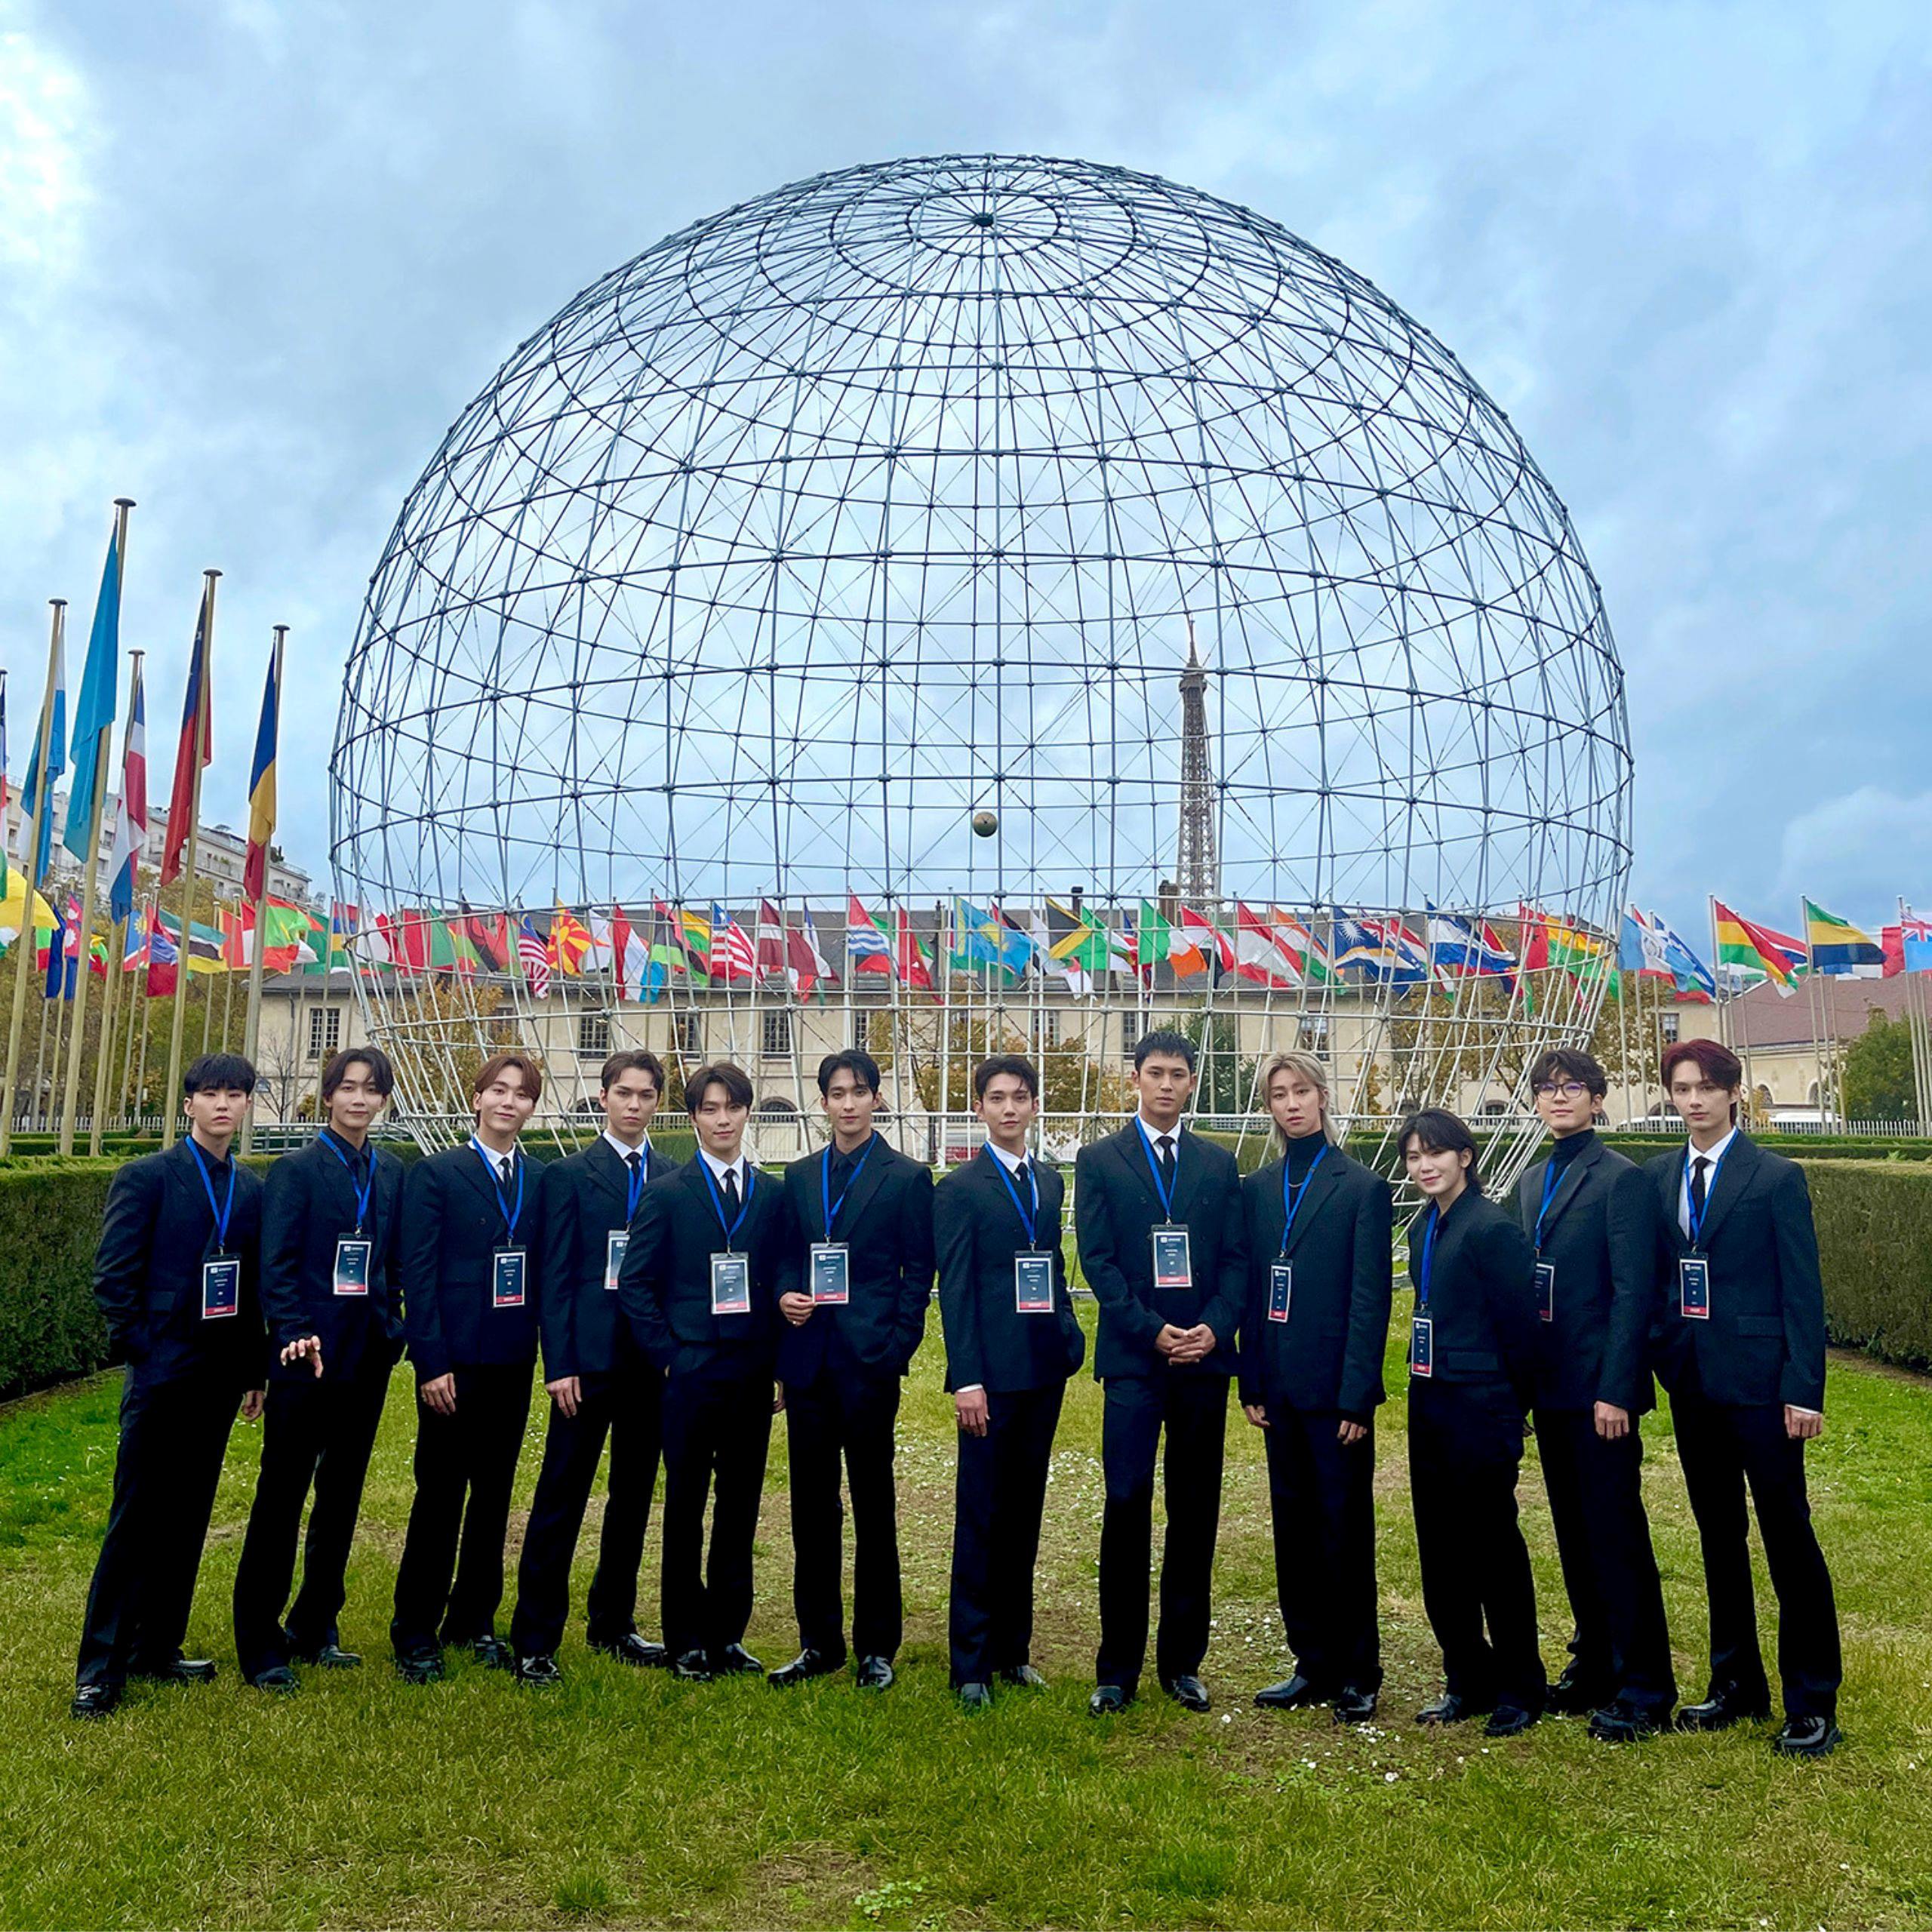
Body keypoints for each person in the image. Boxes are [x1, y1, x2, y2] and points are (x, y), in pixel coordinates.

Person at [1647, 1038, 1841, 1758]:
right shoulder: (1661, 1173)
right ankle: (1736, 1684)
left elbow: (1803, 1289)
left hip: (1765, 1390)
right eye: (1681, 1088)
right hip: (1695, 1386)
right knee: (1718, 1538)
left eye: (1706, 1087)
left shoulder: (1774, 1176)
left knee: (1788, 1537)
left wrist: (1802, 1389)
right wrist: (1668, 1350)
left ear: (1732, 1092)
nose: (1693, 1100)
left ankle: (1812, 1700)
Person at [72, 1053, 267, 1718]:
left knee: (188, 1517)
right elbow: (113, 1278)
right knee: (136, 1521)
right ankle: (99, 1670)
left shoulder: (251, 1189)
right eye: (210, 1094)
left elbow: (250, 1296)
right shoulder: (147, 1178)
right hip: (161, 1371)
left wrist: (253, 1371)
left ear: (246, 1107)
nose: (222, 1106)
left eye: (234, 1095)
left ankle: (156, 1647)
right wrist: (143, 1354)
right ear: (188, 1105)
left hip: (217, 1377)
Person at [1075, 1029, 1246, 1715]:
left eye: (1179, 1073)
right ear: (1135, 1080)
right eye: (1156, 1072)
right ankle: (1116, 1668)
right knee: (1125, 1504)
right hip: (1135, 1363)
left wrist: (1214, 1327)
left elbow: (1237, 1259)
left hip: (1203, 1362)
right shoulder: (1100, 1159)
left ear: (1192, 1081)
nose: (1167, 1084)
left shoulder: (1216, 1163)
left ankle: (1182, 1663)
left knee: (1194, 1511)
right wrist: (1153, 1331)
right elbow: (1098, 1260)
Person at [1515, 1048, 1676, 1742]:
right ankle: (1595, 1663)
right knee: (1574, 1534)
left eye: (1571, 1088)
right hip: (1550, 1387)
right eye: (1547, 1090)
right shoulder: (1529, 1181)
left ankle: (1645, 1684)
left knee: (1616, 1533)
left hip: (1600, 1394)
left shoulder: (1621, 1181)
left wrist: (1616, 1390)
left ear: (1597, 1098)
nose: (1559, 1099)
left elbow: (1635, 1293)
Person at [232, 1047, 407, 1690]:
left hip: (366, 1358)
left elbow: (388, 1261)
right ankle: (260, 1642)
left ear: (383, 1099)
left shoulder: (388, 1172)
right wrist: (296, 1331)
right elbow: (275, 1264)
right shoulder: (296, 1171)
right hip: (304, 1360)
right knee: (282, 1497)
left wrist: (394, 1326)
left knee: (341, 1497)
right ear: (327, 1095)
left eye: (371, 1090)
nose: (359, 1100)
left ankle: (315, 1625)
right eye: (348, 1088)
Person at [509, 1050, 681, 1687]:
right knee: (562, 1497)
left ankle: (613, 1622)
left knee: (633, 1497)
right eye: (623, 1093)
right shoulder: (569, 1175)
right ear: (603, 1097)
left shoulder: (671, 1173)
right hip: (586, 1362)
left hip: (647, 1364)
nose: (634, 1105)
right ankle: (534, 1639)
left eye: (646, 1095)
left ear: (657, 1103)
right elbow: (552, 1279)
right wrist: (560, 1364)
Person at [617, 1063, 789, 1680]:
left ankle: (728, 1634)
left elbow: (779, 1278)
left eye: (733, 1108)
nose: (723, 1119)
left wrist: (774, 1364)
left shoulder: (771, 1194)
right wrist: (669, 1356)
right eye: (710, 1109)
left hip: (749, 1372)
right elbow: (635, 1284)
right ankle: (685, 1637)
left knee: (740, 1508)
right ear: (693, 1119)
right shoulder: (666, 1192)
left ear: (747, 1114)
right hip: (689, 1371)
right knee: (686, 1504)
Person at [768, 1049, 934, 1692]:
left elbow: (918, 1274)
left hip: (869, 1363)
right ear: (823, 1101)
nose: (847, 1103)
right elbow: (785, 1257)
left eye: (858, 1091)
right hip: (809, 1361)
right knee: (812, 1506)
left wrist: (895, 1348)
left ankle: (876, 1647)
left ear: (875, 1098)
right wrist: (785, 1294)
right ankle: (819, 1643)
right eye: (836, 1092)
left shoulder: (905, 1177)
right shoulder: (801, 1175)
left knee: (872, 1504)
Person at [1238, 1051, 1392, 1724]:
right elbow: (1250, 1293)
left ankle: (1358, 1669)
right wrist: (1251, 1379)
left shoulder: (1361, 1188)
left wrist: (1358, 1394)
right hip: (1279, 1388)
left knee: (1343, 1529)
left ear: (1323, 1098)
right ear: (1269, 1106)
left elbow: (1370, 1300)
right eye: (1279, 1094)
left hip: (1336, 1395)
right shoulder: (1259, 1188)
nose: (1292, 1104)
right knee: (1294, 1529)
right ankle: (1312, 1661)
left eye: (1302, 1091)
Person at [390, 1051, 546, 1682]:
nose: (509, 1102)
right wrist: (430, 1363)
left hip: (511, 1360)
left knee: (494, 1498)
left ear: (533, 1107)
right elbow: (417, 1274)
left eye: (522, 1093)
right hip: (453, 1365)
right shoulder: (436, 1174)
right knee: (440, 1497)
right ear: (476, 1098)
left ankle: (474, 1620)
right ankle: (415, 1630)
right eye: (498, 1090)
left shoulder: (540, 1179)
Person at [937, 1054, 1086, 1709]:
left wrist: (1069, 1332)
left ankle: (1012, 1650)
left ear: (1032, 1107)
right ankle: (970, 1663)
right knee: (982, 1516)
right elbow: (956, 1290)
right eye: (996, 1098)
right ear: (979, 1108)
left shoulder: (1048, 1182)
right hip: (989, 1379)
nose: (1008, 1109)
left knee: (1025, 1512)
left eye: (1019, 1098)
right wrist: (966, 1377)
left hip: (1041, 1370)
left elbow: (1049, 1263)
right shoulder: (960, 1188)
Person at [1401, 1107, 1545, 1737]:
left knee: (1492, 1548)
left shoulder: (1492, 1228)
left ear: (1465, 1156)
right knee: (1441, 1549)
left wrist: (1511, 1408)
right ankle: (1467, 1676)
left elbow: (1521, 1328)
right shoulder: (1422, 1227)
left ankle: (1520, 1685)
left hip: (1481, 1405)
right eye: (1413, 1157)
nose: (1424, 1166)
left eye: (1435, 1153)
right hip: (1429, 1400)